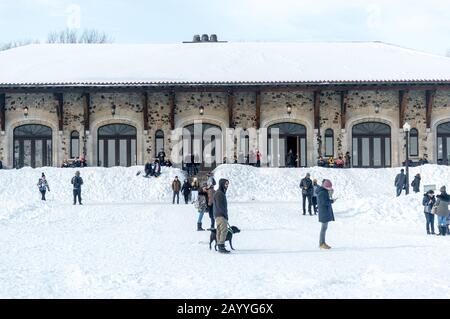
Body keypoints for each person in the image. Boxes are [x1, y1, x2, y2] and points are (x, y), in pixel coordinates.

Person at [317, 179, 336, 249]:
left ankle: (322, 242)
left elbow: (325, 200)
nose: (330, 188)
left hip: (324, 212)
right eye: (329, 187)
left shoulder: (323, 191)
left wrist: (330, 195)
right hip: (323, 212)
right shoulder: (322, 193)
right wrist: (332, 201)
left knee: (324, 228)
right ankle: (321, 243)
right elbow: (324, 202)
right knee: (323, 228)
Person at [214, 179, 230, 254]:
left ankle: (220, 245)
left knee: (220, 230)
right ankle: (221, 245)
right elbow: (220, 206)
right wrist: (225, 215)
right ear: (222, 184)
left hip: (218, 214)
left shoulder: (220, 192)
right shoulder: (219, 193)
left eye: (227, 184)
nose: (227, 186)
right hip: (221, 215)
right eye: (226, 184)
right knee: (224, 230)